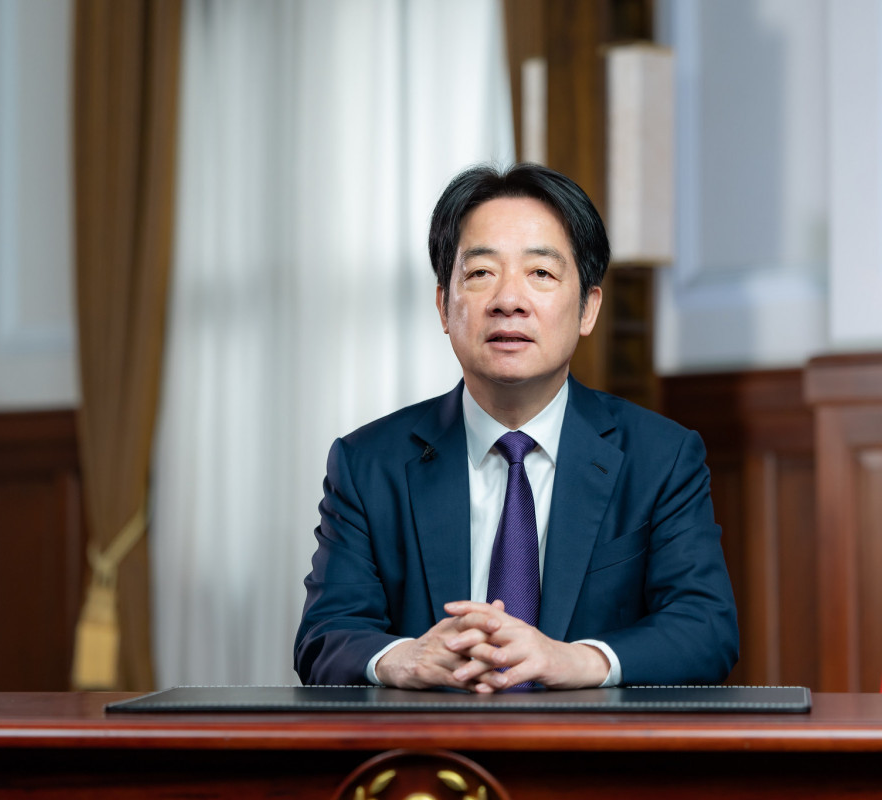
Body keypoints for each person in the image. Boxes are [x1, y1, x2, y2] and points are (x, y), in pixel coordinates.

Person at [294, 163, 737, 691]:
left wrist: (576, 660)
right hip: (432, 740)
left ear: (588, 309)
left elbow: (705, 628)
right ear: (443, 306)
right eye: (481, 273)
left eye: (541, 273)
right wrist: (403, 659)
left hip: (590, 743)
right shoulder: (368, 464)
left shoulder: (660, 458)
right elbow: (325, 634)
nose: (509, 300)